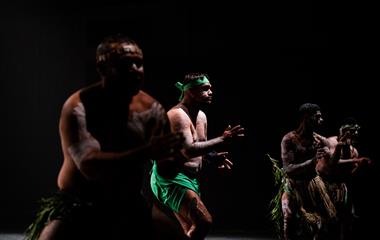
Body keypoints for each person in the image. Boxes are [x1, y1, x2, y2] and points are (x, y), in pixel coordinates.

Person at [25, 34, 184, 240]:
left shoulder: (151, 110)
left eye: (139, 63)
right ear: (102, 69)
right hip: (80, 204)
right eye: (126, 64)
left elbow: (166, 168)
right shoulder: (79, 106)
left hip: (129, 204)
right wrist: (147, 152)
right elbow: (90, 166)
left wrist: (177, 156)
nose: (136, 70)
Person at [150, 72, 244, 240]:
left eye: (210, 88)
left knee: (190, 229)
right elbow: (188, 150)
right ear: (190, 92)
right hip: (171, 178)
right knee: (203, 221)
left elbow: (201, 146)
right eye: (205, 89)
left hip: (188, 178)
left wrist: (213, 156)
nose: (211, 92)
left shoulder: (201, 116)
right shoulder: (177, 115)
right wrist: (223, 139)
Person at [310, 117, 371, 239]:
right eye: (352, 132)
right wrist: (354, 159)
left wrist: (359, 166)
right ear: (344, 131)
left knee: (347, 218)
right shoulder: (331, 142)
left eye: (356, 132)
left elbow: (349, 175)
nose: (355, 135)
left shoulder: (354, 151)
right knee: (323, 220)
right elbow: (333, 162)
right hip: (322, 182)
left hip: (339, 186)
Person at [279, 103, 325, 240]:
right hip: (293, 185)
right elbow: (288, 169)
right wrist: (312, 161)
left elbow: (332, 152)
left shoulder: (319, 140)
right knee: (288, 216)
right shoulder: (289, 139)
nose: (321, 120)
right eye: (317, 117)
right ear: (306, 117)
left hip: (312, 185)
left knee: (317, 224)